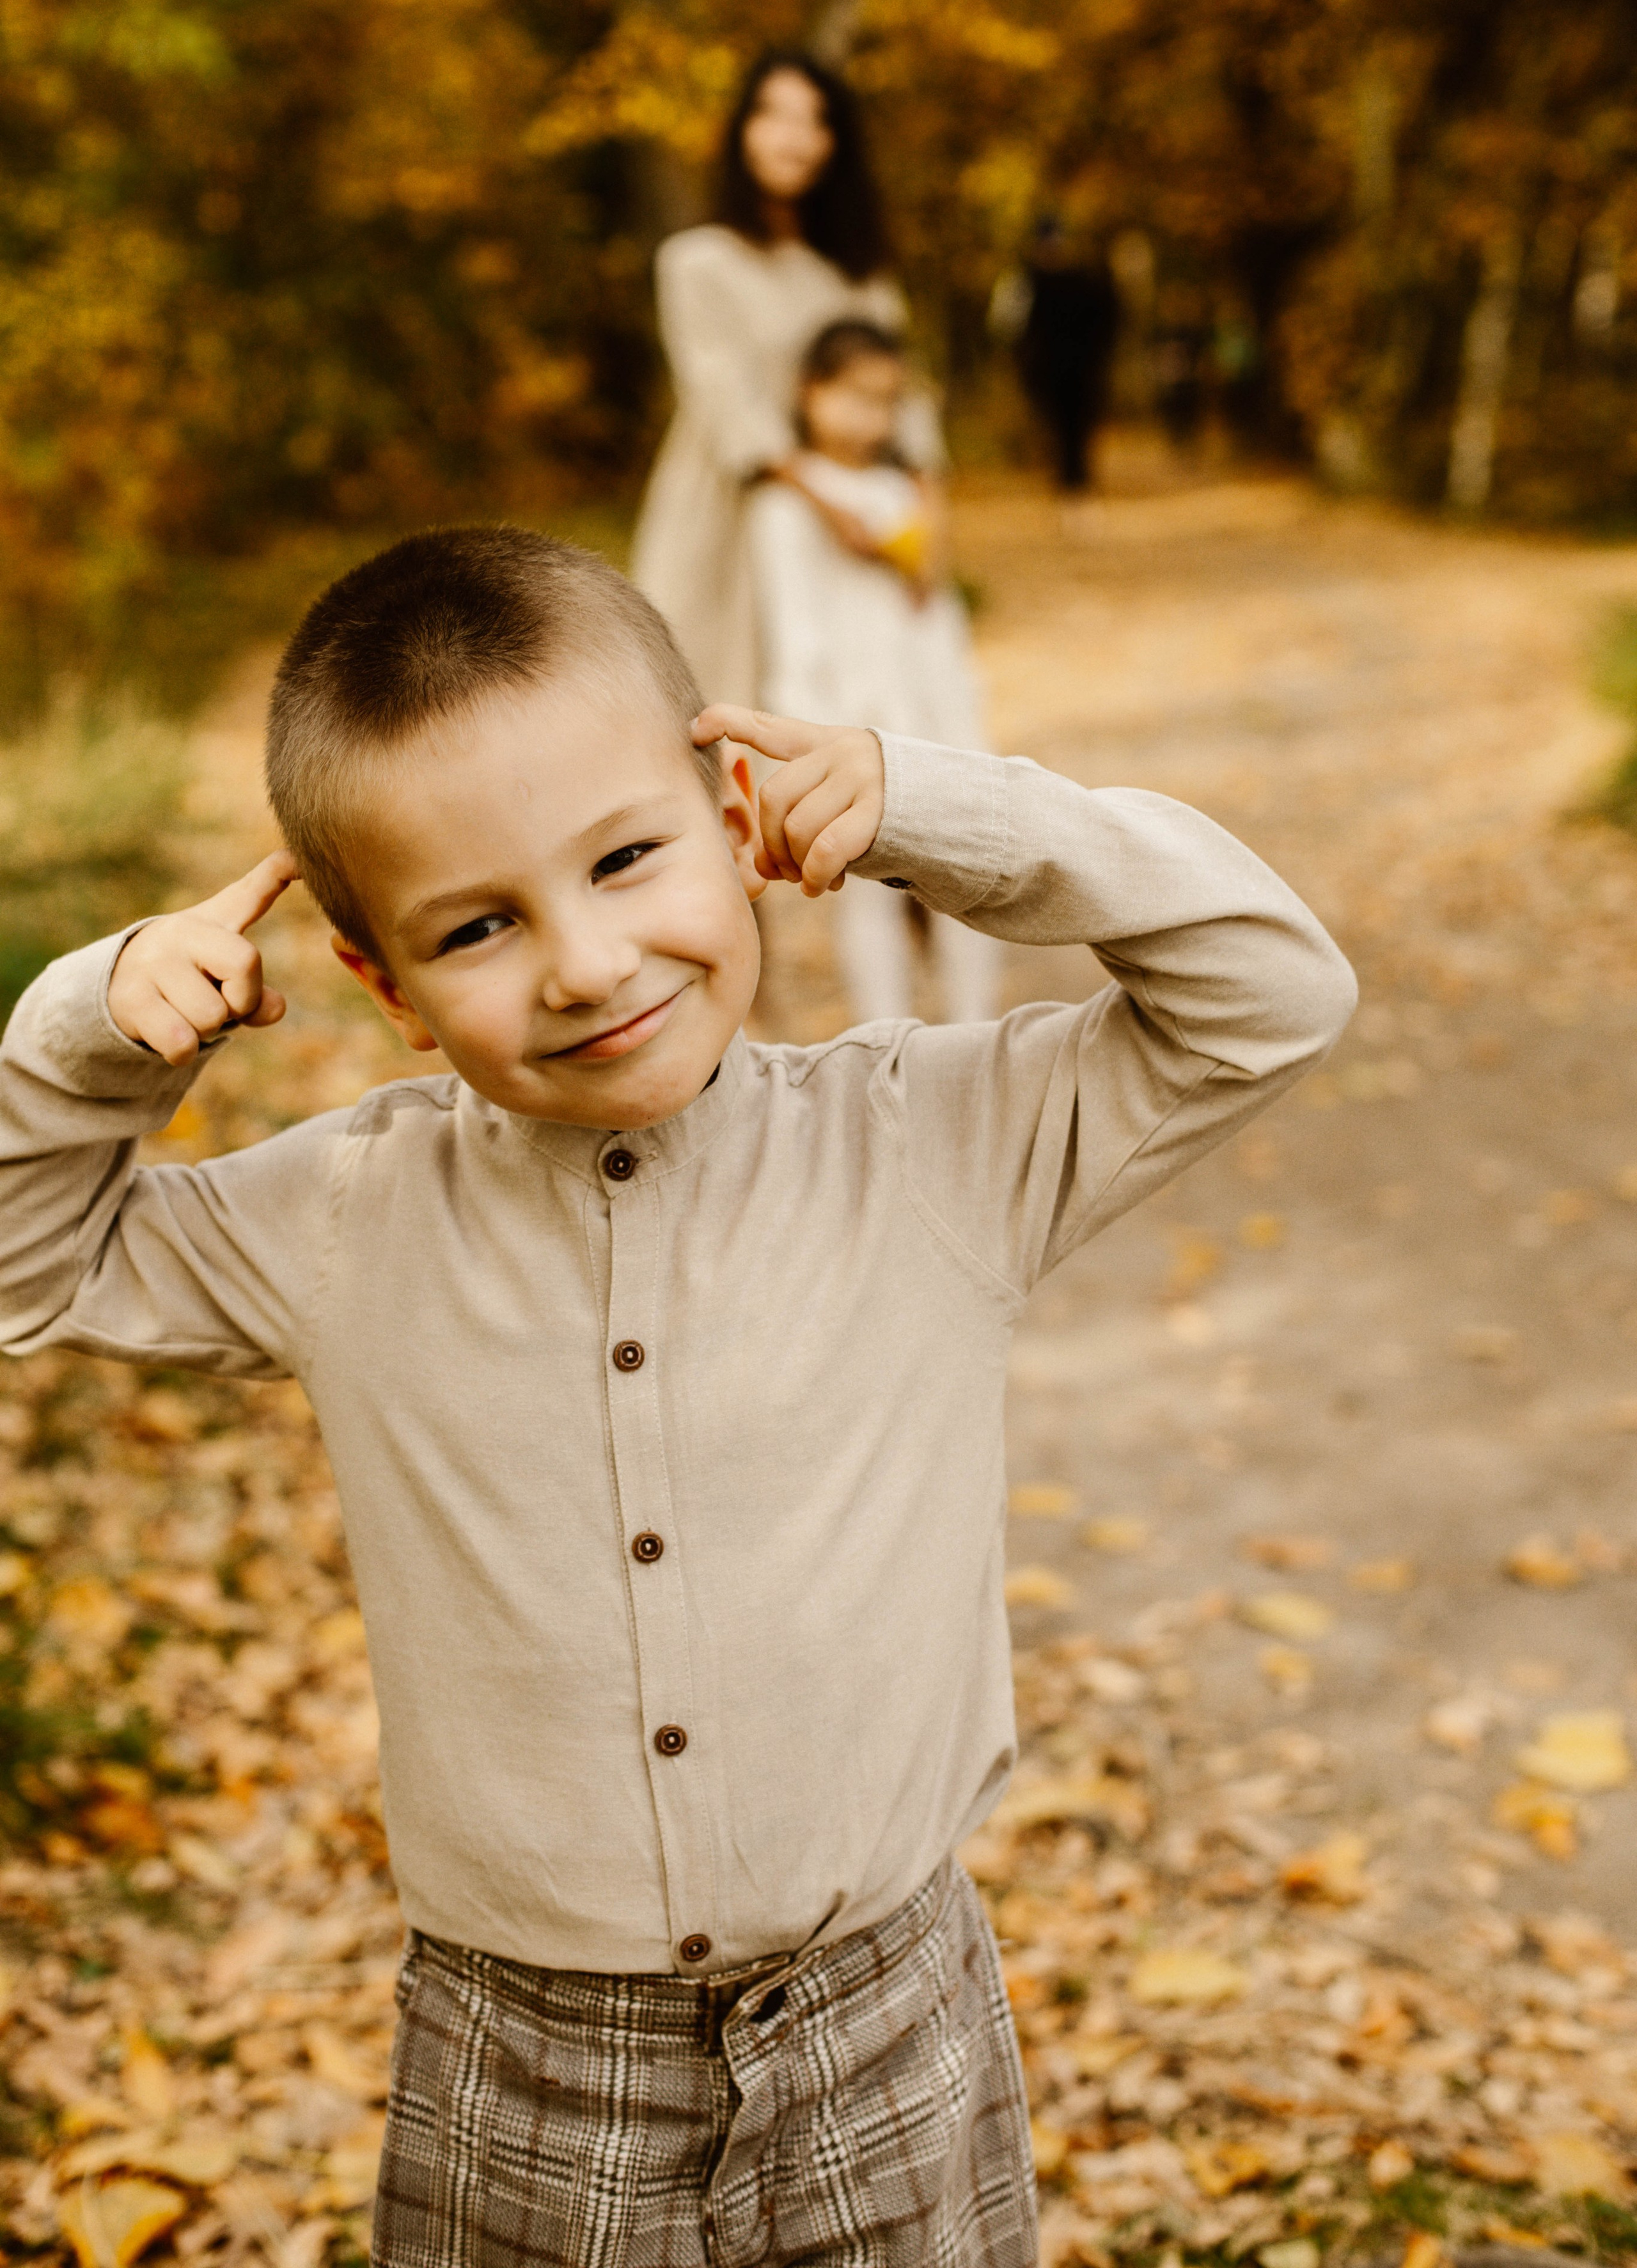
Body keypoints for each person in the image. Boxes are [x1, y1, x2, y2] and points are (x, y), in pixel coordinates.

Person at [0, 528, 1356, 2267]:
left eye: (626, 857)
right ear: (388, 988)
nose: (582, 963)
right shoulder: (347, 1217)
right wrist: (92, 1028)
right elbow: (32, 1264)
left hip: (890, 2015)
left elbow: (1271, 990)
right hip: (523, 2054)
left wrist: (935, 811)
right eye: (478, 925)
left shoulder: (930, 1145)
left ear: (738, 826)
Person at [632, 50, 942, 707]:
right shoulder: (698, 263)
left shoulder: (859, 272)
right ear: (743, 129)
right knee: (718, 698)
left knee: (857, 704)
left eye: (813, 121)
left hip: (858, 515)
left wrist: (926, 512)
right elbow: (723, 400)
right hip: (734, 508)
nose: (793, 137)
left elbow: (907, 394)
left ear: (835, 143)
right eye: (773, 115)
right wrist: (825, 504)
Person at [749, 316, 995, 1023]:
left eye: (886, 401)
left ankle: (977, 1025)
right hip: (848, 719)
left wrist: (960, 701)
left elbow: (933, 610)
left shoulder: (902, 490)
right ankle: (886, 1040)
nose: (871, 418)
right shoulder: (785, 505)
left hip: (931, 710)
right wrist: (811, 742)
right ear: (811, 391)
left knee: (963, 869)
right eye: (855, 397)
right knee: (866, 894)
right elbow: (792, 630)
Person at [992, 217, 1120, 493]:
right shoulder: (1025, 281)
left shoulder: (1079, 280)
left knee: (1074, 426)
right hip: (1048, 369)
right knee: (1060, 427)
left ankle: (1074, 483)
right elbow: (1007, 325)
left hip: (1077, 369)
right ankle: (1070, 482)